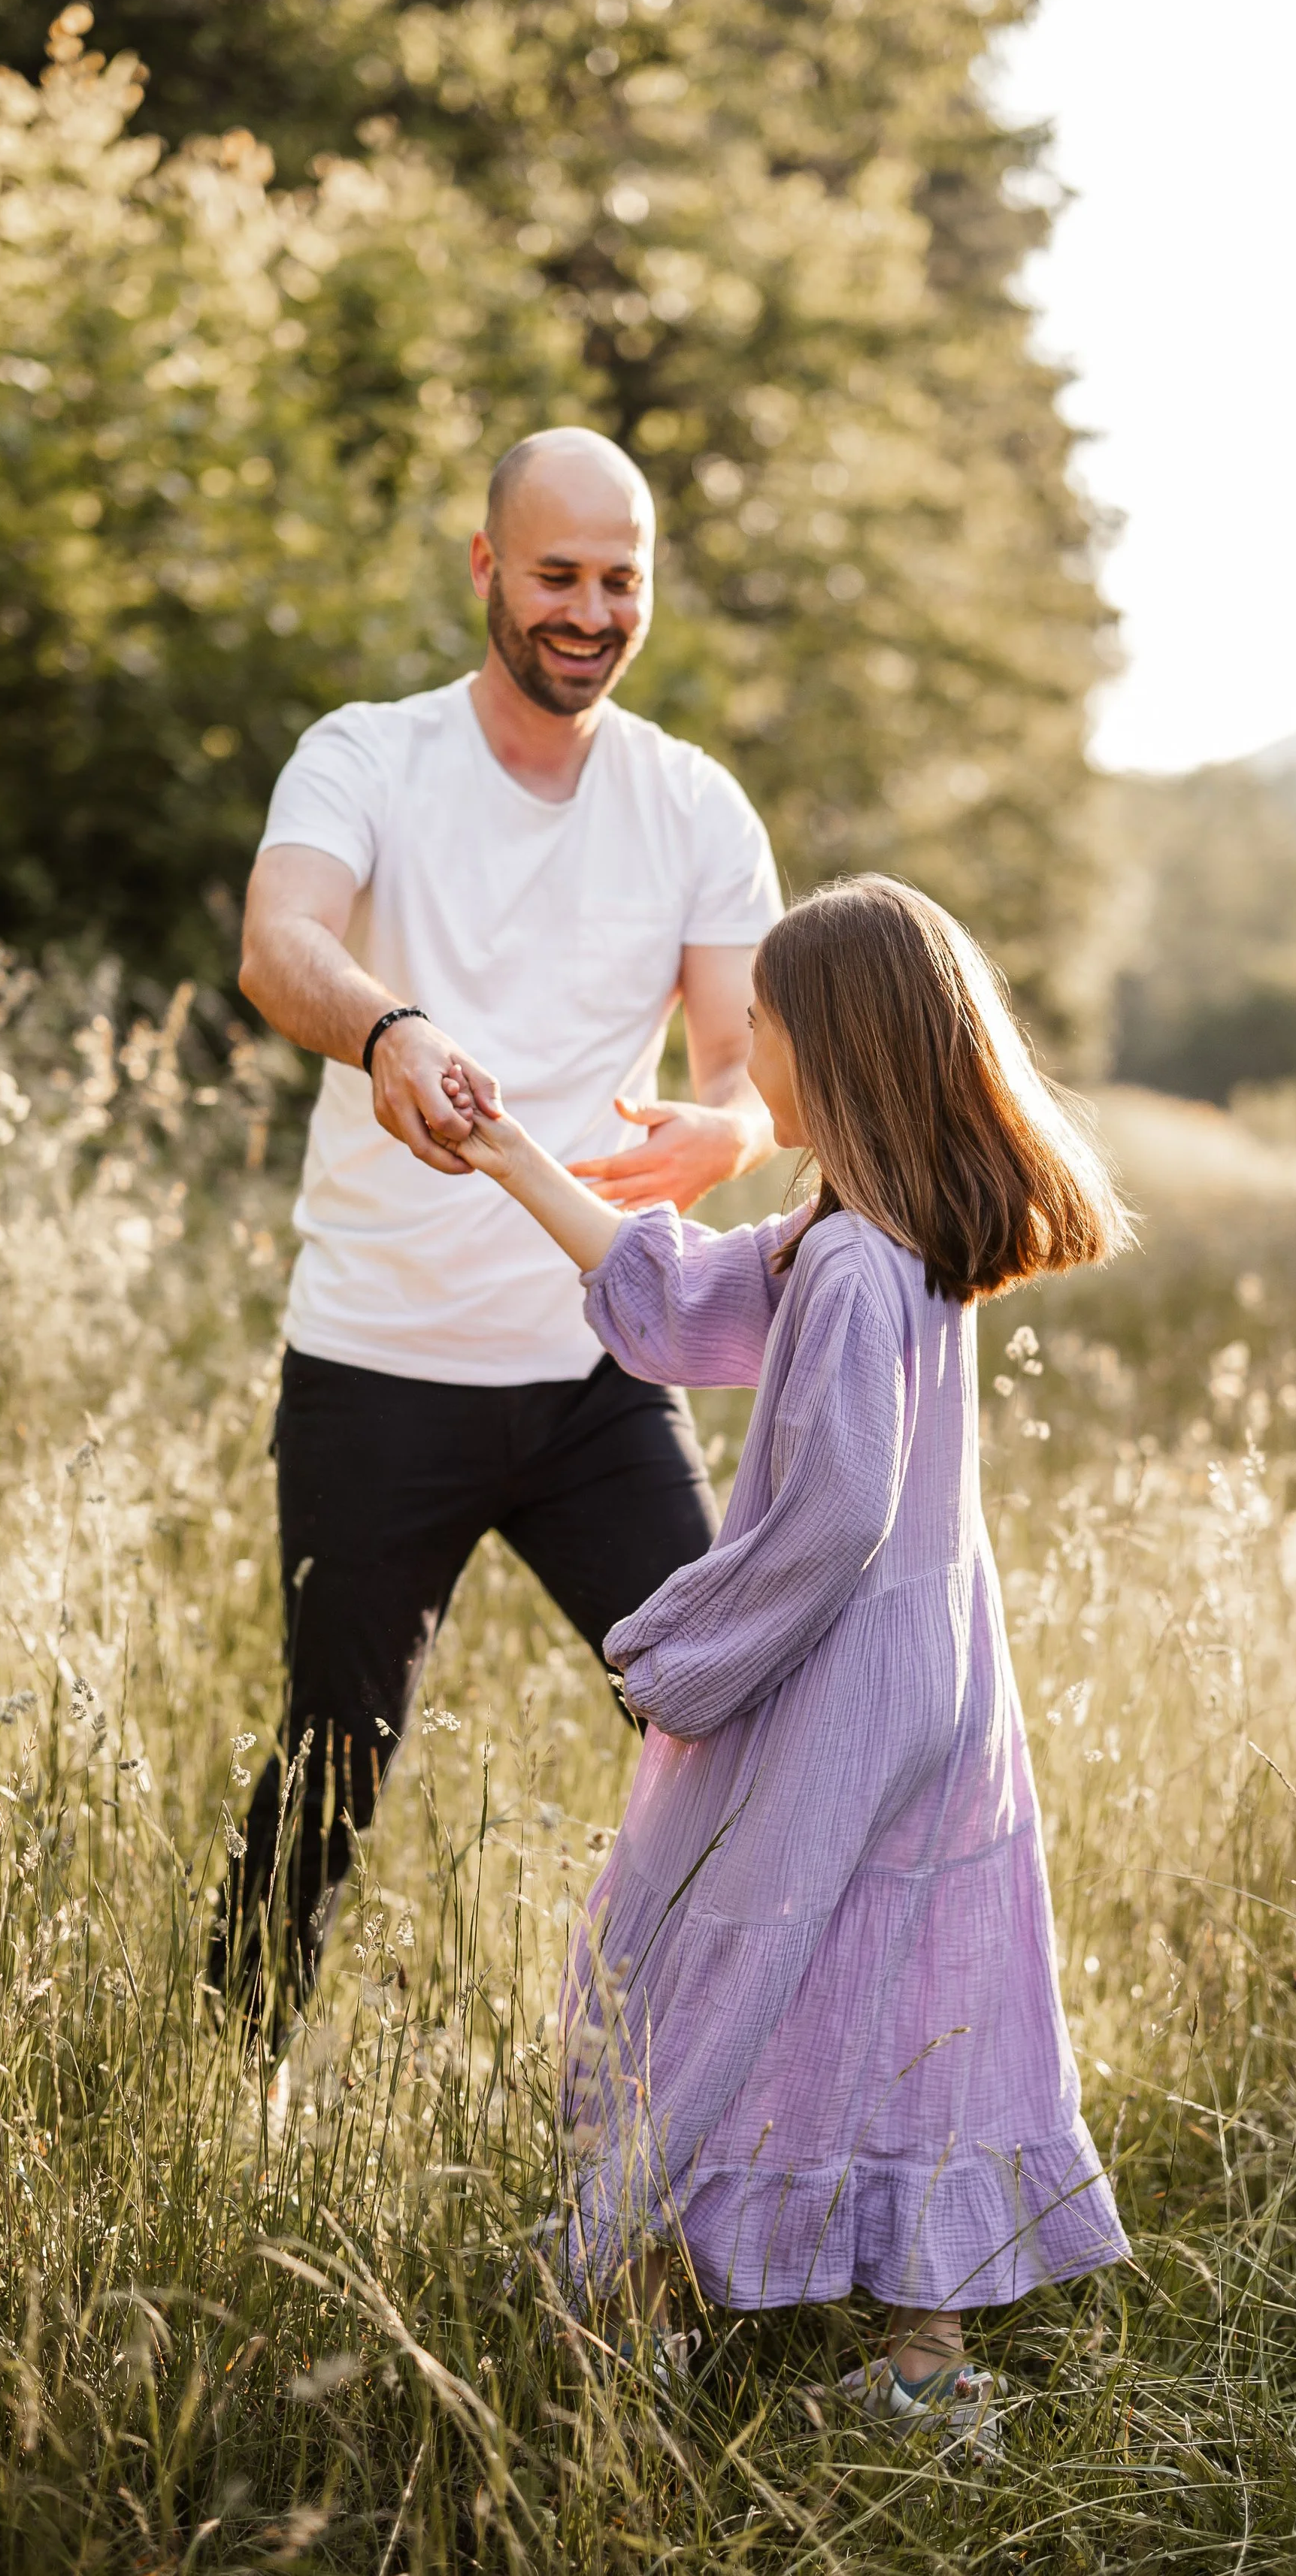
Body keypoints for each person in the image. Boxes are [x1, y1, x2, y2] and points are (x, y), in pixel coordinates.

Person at [458, 875, 1134, 2458]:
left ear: (821, 1048)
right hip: (943, 1680)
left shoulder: (845, 1266)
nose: (737, 1045)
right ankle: (924, 2363)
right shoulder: (882, 1236)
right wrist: (512, 1161)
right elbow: (683, 1303)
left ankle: (612, 2306)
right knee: (913, 1977)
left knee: (698, 1956)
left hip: (842, 1684)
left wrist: (674, 1657)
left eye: (754, 1019)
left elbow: (831, 1515)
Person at [211, 427, 781, 2025]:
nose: (588, 611)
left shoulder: (692, 803)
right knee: (337, 1758)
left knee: (715, 1721)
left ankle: (724, 2088)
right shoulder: (368, 757)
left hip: (598, 1373)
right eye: (555, 576)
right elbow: (280, 944)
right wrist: (388, 1030)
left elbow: (746, 1072)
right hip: (377, 1366)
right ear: (484, 569)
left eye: (621, 581)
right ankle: (232, 2070)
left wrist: (721, 1131)